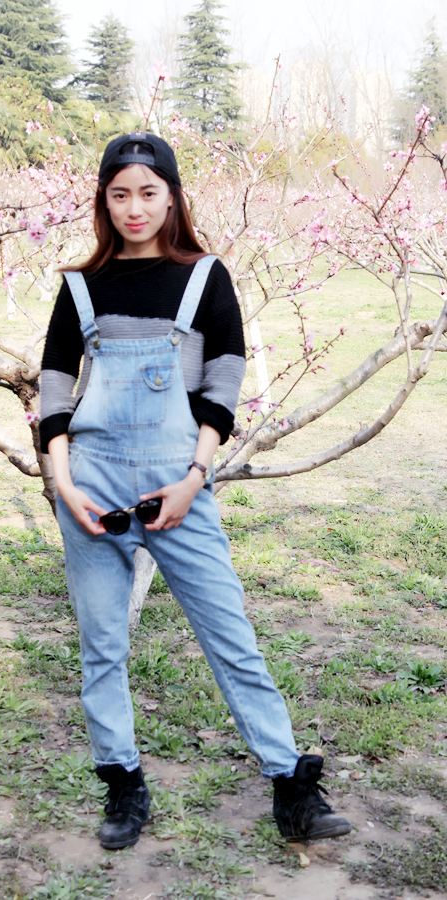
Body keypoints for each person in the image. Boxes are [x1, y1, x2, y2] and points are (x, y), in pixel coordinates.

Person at [39, 132, 351, 850]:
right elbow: (54, 387)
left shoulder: (205, 277)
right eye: (120, 194)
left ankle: (292, 788)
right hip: (91, 485)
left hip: (179, 482)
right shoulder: (80, 286)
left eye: (149, 192)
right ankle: (122, 784)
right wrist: (63, 482)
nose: (135, 208)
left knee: (230, 636)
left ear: (172, 197)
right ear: (103, 201)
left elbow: (223, 382)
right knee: (102, 645)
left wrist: (193, 479)